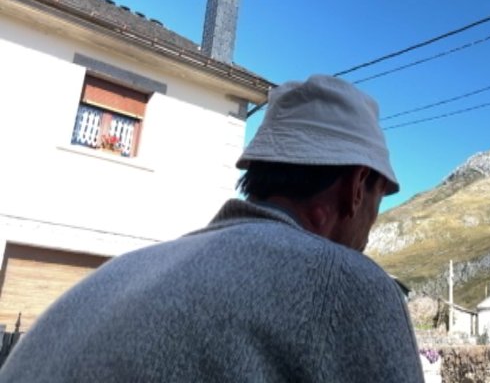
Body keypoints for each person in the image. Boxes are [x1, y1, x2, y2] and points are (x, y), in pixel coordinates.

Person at [0, 75, 425, 383]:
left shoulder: (110, 276)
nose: (372, 224)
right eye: (380, 197)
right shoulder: (347, 284)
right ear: (355, 187)